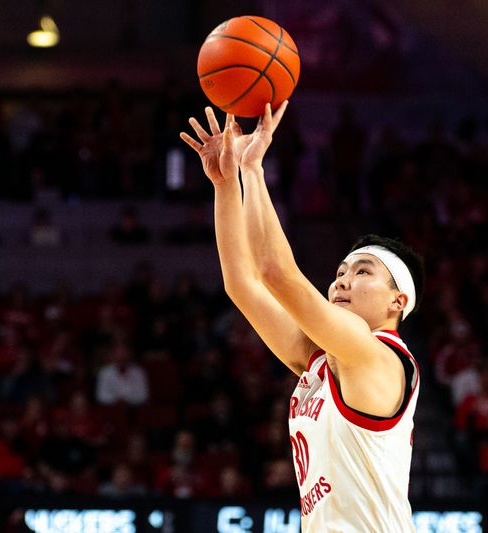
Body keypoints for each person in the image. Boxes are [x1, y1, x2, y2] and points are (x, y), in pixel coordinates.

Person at [181, 102, 425, 532]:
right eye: (340, 273)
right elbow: (242, 285)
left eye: (362, 272)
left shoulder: (377, 358)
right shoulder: (320, 360)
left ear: (397, 301)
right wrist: (226, 183)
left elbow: (275, 273)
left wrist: (253, 171)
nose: (342, 282)